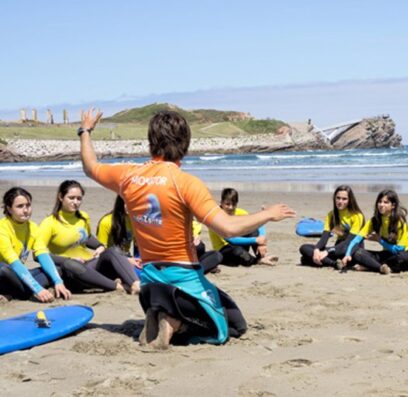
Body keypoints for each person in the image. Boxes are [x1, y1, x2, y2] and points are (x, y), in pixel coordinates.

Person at [77, 108, 295, 349]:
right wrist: (267, 214)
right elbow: (227, 228)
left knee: (217, 303)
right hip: (182, 277)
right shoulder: (185, 183)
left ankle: (162, 312)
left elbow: (90, 167)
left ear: (151, 142)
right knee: (234, 325)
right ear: (185, 144)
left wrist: (85, 130)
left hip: (149, 282)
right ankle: (173, 322)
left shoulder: (129, 176)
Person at [36, 180, 132, 293]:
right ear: (61, 197)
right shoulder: (49, 223)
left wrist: (100, 246)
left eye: (79, 198)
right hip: (71, 272)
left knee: (112, 251)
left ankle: (134, 284)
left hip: (90, 265)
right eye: (71, 198)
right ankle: (116, 286)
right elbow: (37, 255)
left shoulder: (83, 217)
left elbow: (86, 237)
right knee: (70, 265)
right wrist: (68, 259)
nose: (75, 202)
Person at [0, 187, 71, 302]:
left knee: (56, 270)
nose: (25, 210)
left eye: (27, 205)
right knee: (3, 269)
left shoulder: (33, 227)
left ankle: (14, 294)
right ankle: (21, 292)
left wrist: (58, 282)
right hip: (4, 275)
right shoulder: (2, 228)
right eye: (19, 206)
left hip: (17, 277)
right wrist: (38, 289)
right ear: (9, 209)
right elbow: (13, 262)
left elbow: (42, 254)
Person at [340, 189, 408, 274]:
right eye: (380, 202)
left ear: (393, 205)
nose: (381, 205)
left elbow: (399, 249)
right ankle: (380, 268)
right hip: (386, 255)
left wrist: (379, 240)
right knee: (357, 252)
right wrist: (348, 254)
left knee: (403, 258)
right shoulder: (374, 221)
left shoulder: (399, 221)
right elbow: (356, 240)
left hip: (403, 255)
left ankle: (371, 266)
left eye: (386, 202)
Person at [209, 188, 279, 266]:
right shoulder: (217, 217)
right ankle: (257, 261)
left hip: (240, 246)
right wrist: (256, 240)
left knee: (253, 229)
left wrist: (262, 241)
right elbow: (232, 240)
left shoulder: (240, 212)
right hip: (224, 250)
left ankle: (262, 256)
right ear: (221, 203)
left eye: (234, 204)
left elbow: (258, 224)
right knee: (237, 250)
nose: (231, 207)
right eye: (227, 204)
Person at [299, 185, 364, 269]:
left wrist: (327, 251)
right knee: (304, 248)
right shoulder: (331, 215)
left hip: (351, 250)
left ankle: (329, 262)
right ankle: (334, 264)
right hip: (337, 249)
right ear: (334, 198)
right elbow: (324, 239)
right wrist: (316, 250)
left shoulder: (357, 216)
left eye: (344, 199)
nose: (340, 201)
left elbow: (348, 242)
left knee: (305, 259)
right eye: (338, 198)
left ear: (350, 200)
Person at [96, 195, 142, 293]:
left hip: (127, 258)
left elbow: (138, 247)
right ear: (120, 203)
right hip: (110, 261)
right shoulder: (106, 222)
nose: (130, 206)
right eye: (127, 202)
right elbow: (101, 252)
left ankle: (122, 282)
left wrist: (139, 260)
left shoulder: (135, 221)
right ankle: (122, 282)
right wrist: (127, 260)